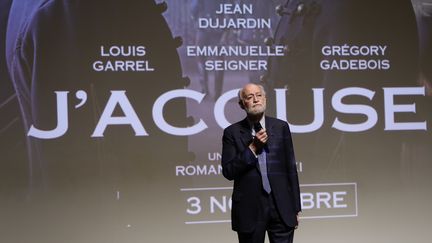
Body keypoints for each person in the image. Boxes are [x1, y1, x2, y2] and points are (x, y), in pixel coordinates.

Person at [221, 83, 301, 243]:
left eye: (259, 95)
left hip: (281, 206)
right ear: (242, 104)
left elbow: (290, 169)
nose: (255, 100)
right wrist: (252, 149)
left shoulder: (280, 127)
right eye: (249, 97)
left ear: (265, 99)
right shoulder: (232, 132)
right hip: (249, 208)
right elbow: (229, 171)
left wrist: (296, 207)